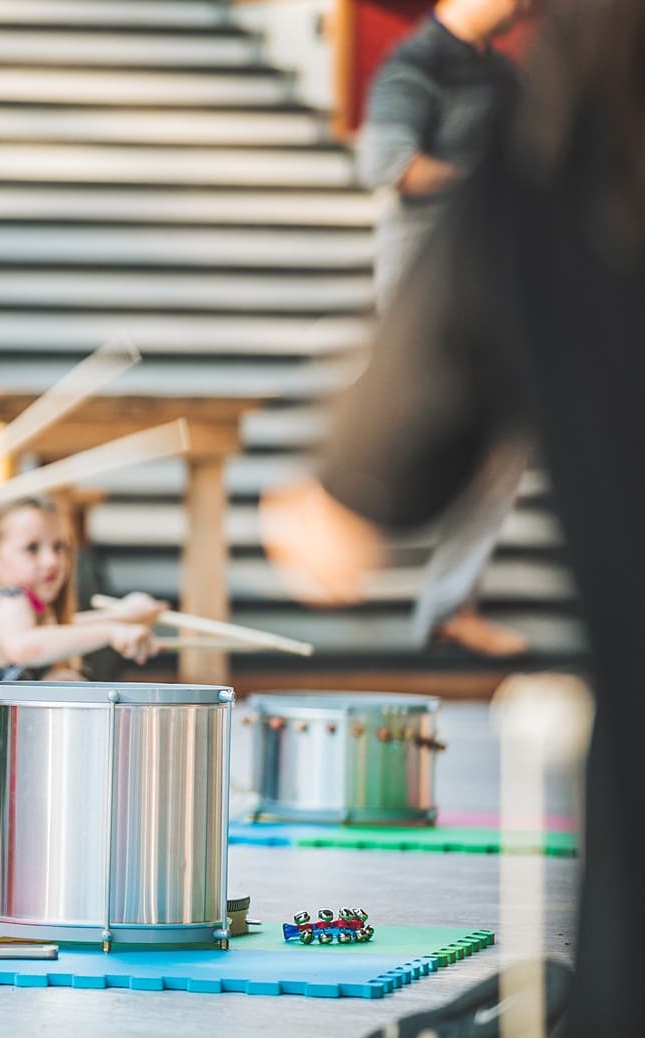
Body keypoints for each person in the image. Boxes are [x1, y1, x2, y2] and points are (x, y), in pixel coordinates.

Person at [262, 0, 643, 1031]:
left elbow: (384, 461)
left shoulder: (565, 121)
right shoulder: (425, 73)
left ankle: (450, 602)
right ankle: (446, 604)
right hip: (435, 269)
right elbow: (388, 166)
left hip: (495, 311)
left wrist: (352, 489)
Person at [356, 0, 537, 657]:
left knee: (503, 449)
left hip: (497, 285)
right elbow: (386, 164)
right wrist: (483, 191)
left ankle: (451, 604)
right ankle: (359, 515)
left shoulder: (506, 77)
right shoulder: (414, 65)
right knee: (439, 430)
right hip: (428, 291)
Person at [0, 496, 163, 827]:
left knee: (65, 678)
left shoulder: (22, 610)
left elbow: (58, 633)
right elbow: (26, 647)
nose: (52, 560)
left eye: (59, 547)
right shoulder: (12, 602)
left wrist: (124, 618)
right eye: (32, 549)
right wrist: (112, 630)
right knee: (67, 683)